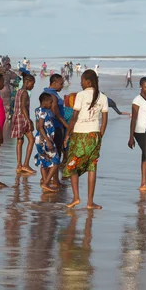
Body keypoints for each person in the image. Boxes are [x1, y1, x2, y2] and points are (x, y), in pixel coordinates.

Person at [63, 69, 108, 209]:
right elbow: (105, 120)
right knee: (92, 167)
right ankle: (90, 202)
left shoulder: (81, 95)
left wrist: (67, 135)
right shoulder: (103, 97)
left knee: (72, 165)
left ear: (88, 81)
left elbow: (74, 117)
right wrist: (100, 135)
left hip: (79, 134)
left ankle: (76, 197)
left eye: (82, 80)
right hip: (94, 135)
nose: (81, 83)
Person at [44, 74, 68, 184]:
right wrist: (66, 125)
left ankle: (48, 177)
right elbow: (56, 112)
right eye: (61, 84)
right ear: (54, 83)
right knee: (56, 152)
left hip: (52, 126)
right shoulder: (52, 95)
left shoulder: (49, 93)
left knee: (50, 153)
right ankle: (55, 180)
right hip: (55, 126)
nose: (62, 86)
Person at [34, 92, 60, 193]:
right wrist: (48, 140)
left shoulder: (37, 110)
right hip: (45, 139)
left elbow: (37, 126)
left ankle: (46, 183)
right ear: (44, 102)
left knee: (44, 161)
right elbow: (40, 127)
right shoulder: (44, 112)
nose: (51, 105)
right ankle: (46, 182)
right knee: (56, 161)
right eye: (50, 103)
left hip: (39, 138)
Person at [11, 74, 36, 174]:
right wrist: (29, 120)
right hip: (22, 118)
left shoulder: (18, 91)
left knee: (19, 140)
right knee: (31, 139)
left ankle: (19, 165)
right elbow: (23, 107)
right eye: (32, 84)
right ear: (27, 82)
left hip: (17, 117)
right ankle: (25, 164)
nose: (33, 86)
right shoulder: (25, 93)